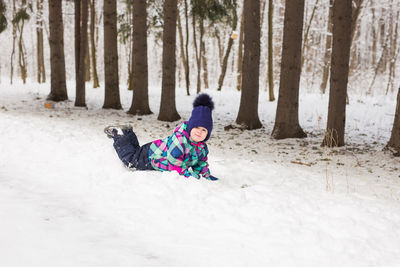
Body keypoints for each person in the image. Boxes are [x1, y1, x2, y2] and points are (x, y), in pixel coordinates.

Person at [105, 93, 218, 181]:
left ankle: (127, 133)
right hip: (153, 156)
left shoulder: (202, 148)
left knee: (136, 152)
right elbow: (174, 163)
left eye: (204, 130)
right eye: (197, 127)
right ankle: (119, 135)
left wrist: (205, 174)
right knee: (132, 161)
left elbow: (200, 163)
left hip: (157, 151)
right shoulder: (180, 140)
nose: (199, 132)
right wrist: (186, 174)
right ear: (190, 127)